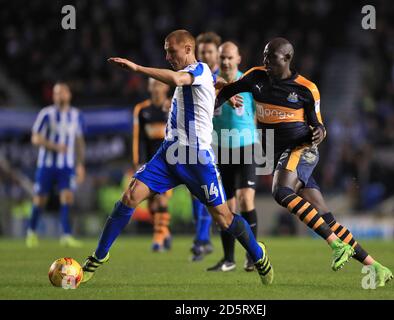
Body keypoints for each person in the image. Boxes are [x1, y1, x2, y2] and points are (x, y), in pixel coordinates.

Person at [81, 30, 274, 286]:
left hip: (197, 159)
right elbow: (209, 81)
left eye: (171, 51)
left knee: (224, 217)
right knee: (130, 196)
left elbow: (176, 78)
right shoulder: (204, 76)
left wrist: (137, 68)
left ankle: (259, 255)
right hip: (169, 153)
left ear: (187, 49)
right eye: (165, 50)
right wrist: (224, 88)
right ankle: (97, 258)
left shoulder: (199, 70)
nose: (167, 55)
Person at [216, 38, 393, 286]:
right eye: (265, 55)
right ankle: (376, 266)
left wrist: (320, 132)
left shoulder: (306, 89)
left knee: (280, 191)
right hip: (280, 155)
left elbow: (318, 125)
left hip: (301, 149)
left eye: (272, 57)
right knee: (326, 218)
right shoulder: (256, 77)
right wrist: (212, 107)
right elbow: (226, 90)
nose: (265, 60)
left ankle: (335, 246)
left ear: (287, 59)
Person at [207, 42, 259, 273]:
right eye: (223, 58)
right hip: (220, 150)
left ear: (238, 58)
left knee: (246, 199)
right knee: (225, 207)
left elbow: (261, 113)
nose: (226, 62)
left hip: (246, 147)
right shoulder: (210, 83)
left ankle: (253, 255)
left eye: (230, 57)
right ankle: (228, 259)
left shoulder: (248, 83)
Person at [26, 82, 86, 248]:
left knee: (67, 197)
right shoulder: (46, 114)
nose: (59, 96)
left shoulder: (76, 115)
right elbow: (35, 138)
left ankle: (66, 235)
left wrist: (80, 164)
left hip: (66, 165)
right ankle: (31, 233)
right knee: (40, 199)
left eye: (62, 92)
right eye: (56, 93)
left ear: (69, 95)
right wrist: (54, 146)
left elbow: (79, 141)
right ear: (53, 96)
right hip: (46, 165)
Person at [188, 31, 223, 261]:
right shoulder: (195, 75)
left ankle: (201, 241)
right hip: (197, 141)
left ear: (217, 54)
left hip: (223, 142)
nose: (205, 55)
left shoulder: (223, 78)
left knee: (207, 194)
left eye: (209, 51)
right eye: (202, 52)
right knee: (196, 195)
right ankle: (204, 237)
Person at [132, 78, 172, 252]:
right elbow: (137, 138)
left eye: (159, 84)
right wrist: (137, 161)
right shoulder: (141, 110)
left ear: (166, 87)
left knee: (161, 198)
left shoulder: (172, 107)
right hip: (149, 161)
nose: (156, 88)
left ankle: (158, 239)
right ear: (149, 87)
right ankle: (165, 232)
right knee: (151, 204)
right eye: (153, 84)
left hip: (169, 161)